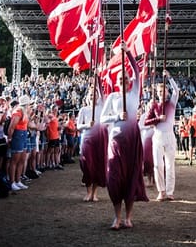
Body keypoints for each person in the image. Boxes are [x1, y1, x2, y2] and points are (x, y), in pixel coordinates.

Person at [100, 47, 148, 230]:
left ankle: (128, 218)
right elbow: (103, 119)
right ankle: (116, 218)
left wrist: (127, 52)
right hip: (116, 142)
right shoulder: (112, 97)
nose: (124, 80)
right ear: (117, 81)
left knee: (131, 177)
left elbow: (136, 70)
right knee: (114, 178)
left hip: (133, 141)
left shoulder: (135, 93)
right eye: (121, 79)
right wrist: (117, 117)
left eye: (126, 78)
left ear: (129, 81)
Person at [144, 70, 180, 201]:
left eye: (164, 91)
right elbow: (146, 122)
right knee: (158, 165)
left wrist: (169, 78)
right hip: (158, 136)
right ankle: (161, 191)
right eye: (159, 92)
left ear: (167, 92)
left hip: (170, 135)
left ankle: (170, 191)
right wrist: (158, 119)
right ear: (157, 93)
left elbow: (177, 91)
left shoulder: (171, 103)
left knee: (170, 165)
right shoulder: (154, 106)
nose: (161, 93)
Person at [76, 85, 106, 202]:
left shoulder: (101, 108)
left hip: (99, 139)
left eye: (95, 94)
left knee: (97, 166)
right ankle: (88, 192)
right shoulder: (84, 110)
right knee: (87, 166)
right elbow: (78, 126)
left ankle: (94, 193)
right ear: (87, 97)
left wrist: (97, 79)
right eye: (91, 95)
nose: (93, 96)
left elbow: (104, 94)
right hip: (87, 139)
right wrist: (87, 125)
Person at [7, 95, 32, 191]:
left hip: (22, 134)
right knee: (15, 160)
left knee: (21, 159)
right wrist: (9, 138)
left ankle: (17, 181)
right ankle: (12, 182)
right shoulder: (18, 112)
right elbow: (12, 126)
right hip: (18, 135)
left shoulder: (23, 112)